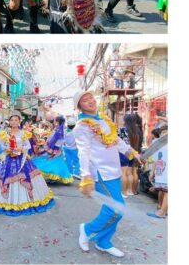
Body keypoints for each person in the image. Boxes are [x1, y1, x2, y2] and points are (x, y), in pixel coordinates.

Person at [74, 90, 140, 258]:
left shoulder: (104, 119)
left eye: (90, 97)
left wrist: (133, 153)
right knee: (116, 209)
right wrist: (85, 175)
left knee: (113, 208)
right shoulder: (82, 126)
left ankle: (104, 242)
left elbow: (116, 140)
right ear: (79, 106)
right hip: (101, 172)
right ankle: (87, 229)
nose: (90, 101)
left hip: (115, 170)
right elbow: (83, 152)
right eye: (84, 100)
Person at [0, 113, 55, 216]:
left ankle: (22, 201)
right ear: (9, 122)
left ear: (19, 122)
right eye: (12, 120)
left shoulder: (24, 133)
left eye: (16, 120)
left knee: (22, 177)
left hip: (21, 159)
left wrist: (20, 149)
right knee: (3, 177)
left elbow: (27, 145)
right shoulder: (4, 132)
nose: (14, 122)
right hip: (7, 157)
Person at [31, 116, 73, 184]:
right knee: (54, 165)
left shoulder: (59, 132)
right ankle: (53, 178)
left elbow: (58, 143)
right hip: (53, 151)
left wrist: (52, 152)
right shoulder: (57, 130)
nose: (54, 122)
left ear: (57, 122)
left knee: (47, 163)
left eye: (55, 121)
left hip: (54, 152)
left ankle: (54, 178)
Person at [119, 113, 143, 197]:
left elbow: (117, 141)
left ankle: (124, 192)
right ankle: (129, 191)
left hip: (124, 152)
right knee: (130, 173)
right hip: (133, 153)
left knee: (123, 173)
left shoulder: (122, 130)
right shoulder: (137, 130)